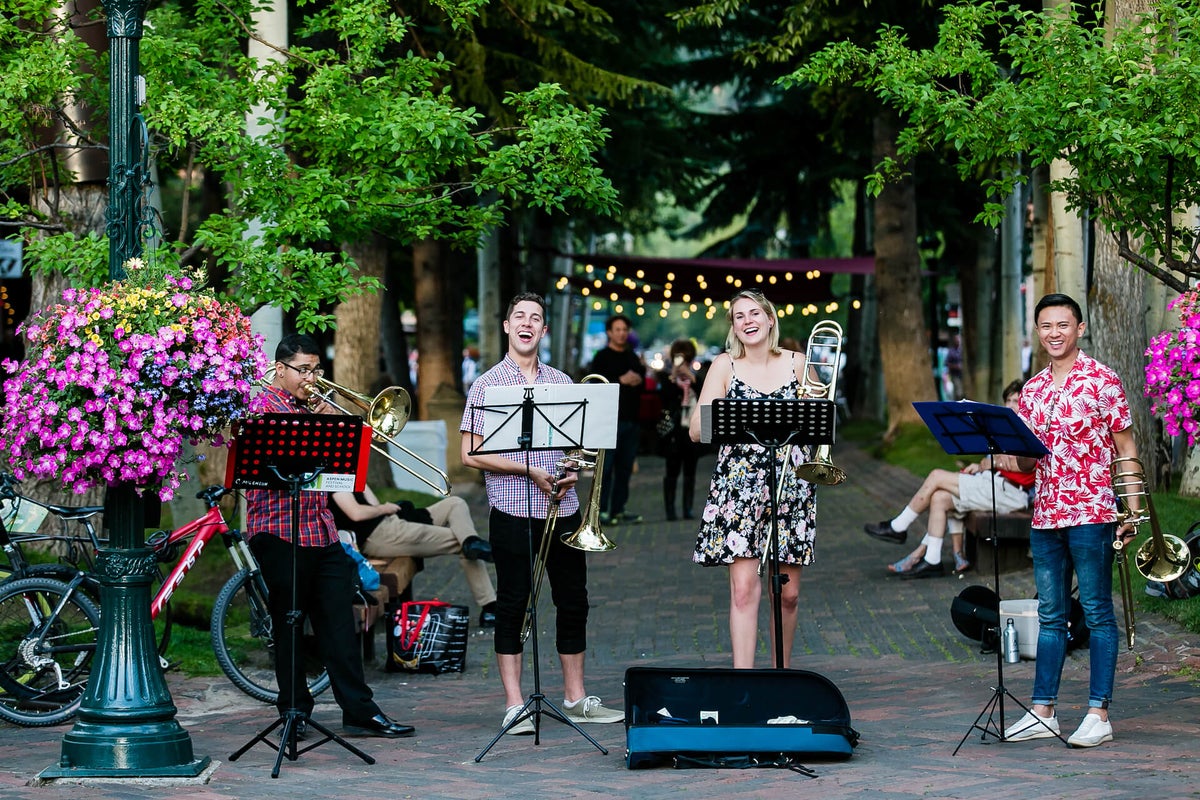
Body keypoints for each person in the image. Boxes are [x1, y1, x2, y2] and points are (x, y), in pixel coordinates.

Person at [460, 292, 623, 735]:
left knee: (574, 601)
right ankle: (514, 704)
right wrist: (527, 468)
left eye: (536, 317)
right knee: (513, 602)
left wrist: (570, 472)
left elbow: (576, 448)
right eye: (520, 316)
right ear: (508, 327)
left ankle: (575, 698)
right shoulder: (488, 385)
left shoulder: (562, 382)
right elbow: (470, 453)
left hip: (562, 507)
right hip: (512, 508)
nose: (527, 323)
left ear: (544, 330)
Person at [245, 333, 414, 739]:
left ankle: (359, 711)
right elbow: (275, 463)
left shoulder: (316, 406)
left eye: (316, 370)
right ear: (280, 368)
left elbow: (341, 471)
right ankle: (294, 711)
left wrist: (337, 424)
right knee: (289, 620)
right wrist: (316, 421)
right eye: (303, 370)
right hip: (277, 528)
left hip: (320, 530)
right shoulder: (260, 406)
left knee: (340, 622)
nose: (311, 378)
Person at [1002, 293, 1137, 749]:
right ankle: (1043, 712)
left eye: (1063, 324)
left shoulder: (1104, 380)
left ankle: (1100, 713)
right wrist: (1000, 441)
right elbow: (1027, 459)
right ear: (1037, 332)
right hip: (1046, 514)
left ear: (1080, 328)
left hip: (1093, 512)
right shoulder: (1033, 390)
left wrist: (1131, 512)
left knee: (1097, 612)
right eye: (1046, 326)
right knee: (1050, 615)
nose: (1054, 333)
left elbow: (1127, 450)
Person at [689, 289, 817, 669]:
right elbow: (697, 429)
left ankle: (782, 677)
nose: (747, 320)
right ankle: (743, 685)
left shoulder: (797, 362)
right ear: (733, 326)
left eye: (754, 313)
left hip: (790, 485)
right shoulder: (724, 365)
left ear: (770, 319)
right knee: (744, 591)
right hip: (739, 487)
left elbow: (819, 424)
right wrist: (728, 415)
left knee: (787, 594)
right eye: (739, 315)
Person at [864, 379, 1034, 579]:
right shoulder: (1004, 427)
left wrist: (994, 463)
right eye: (1009, 400)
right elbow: (994, 462)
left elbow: (1025, 466)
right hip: (994, 484)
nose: (1012, 405)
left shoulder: (1027, 428)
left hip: (1013, 493)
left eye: (1017, 400)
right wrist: (982, 466)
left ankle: (899, 527)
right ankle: (932, 560)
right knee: (940, 498)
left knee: (936, 475)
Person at [328, 487, 499, 627]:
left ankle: (471, 541)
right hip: (380, 535)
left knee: (456, 503)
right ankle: (490, 607)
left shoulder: (353, 474)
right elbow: (356, 513)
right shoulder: (334, 476)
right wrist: (385, 509)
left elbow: (373, 504)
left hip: (392, 522)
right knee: (460, 542)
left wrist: (362, 481)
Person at [588, 314, 646, 525]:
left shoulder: (632, 356)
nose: (622, 333)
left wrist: (638, 378)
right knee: (606, 467)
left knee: (625, 467)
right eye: (618, 329)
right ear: (610, 332)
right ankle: (601, 510)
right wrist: (621, 380)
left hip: (632, 420)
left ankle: (618, 508)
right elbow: (594, 385)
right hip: (609, 421)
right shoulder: (602, 357)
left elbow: (641, 381)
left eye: (625, 330)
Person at [657, 338, 704, 520]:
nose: (683, 362)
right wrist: (674, 376)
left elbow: (704, 396)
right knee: (671, 471)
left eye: (686, 358)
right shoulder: (668, 379)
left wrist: (691, 378)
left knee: (690, 471)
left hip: (691, 430)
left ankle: (688, 508)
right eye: (679, 358)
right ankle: (670, 510)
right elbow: (664, 399)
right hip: (674, 432)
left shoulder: (697, 379)